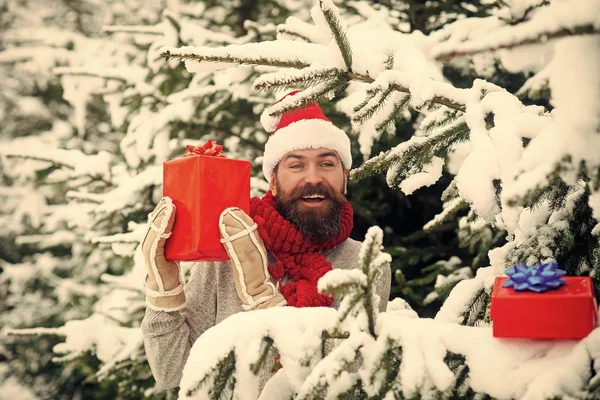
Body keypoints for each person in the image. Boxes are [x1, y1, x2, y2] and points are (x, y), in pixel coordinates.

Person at [140, 90, 392, 390]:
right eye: (296, 165)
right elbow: (172, 372)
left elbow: (342, 382)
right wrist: (164, 291)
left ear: (344, 178)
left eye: (327, 164)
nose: (313, 178)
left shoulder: (364, 262)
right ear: (273, 181)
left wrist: (265, 303)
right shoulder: (227, 250)